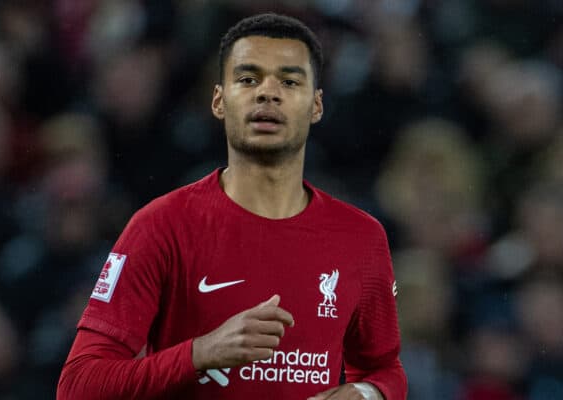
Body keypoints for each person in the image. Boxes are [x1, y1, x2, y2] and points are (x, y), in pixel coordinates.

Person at [57, 13, 407, 400]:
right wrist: (201, 352)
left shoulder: (361, 237)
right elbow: (78, 386)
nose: (268, 93)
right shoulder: (161, 225)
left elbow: (384, 367)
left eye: (289, 81)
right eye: (248, 79)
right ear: (219, 101)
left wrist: (366, 393)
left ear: (316, 106)